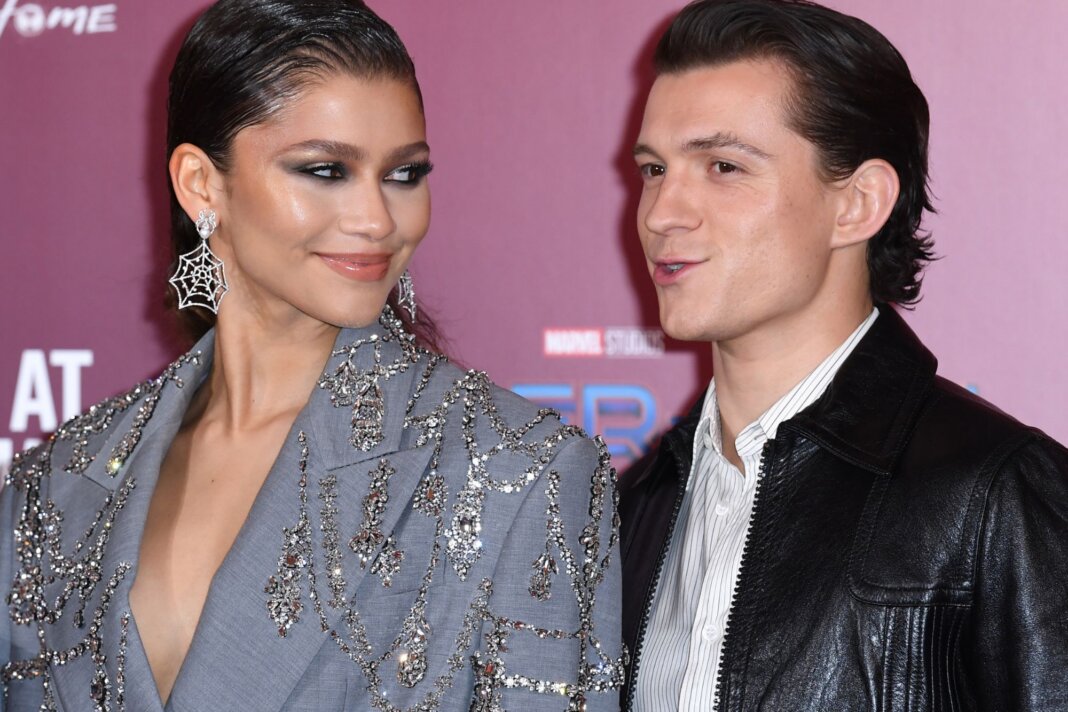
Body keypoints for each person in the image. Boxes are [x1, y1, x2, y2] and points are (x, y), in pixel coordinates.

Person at [0, 2, 624, 710]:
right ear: (201, 184)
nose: (377, 220)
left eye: (404, 174)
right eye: (327, 170)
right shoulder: (56, 485)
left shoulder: (520, 472)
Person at [619, 1, 1068, 710]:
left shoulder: (994, 493)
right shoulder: (640, 501)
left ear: (858, 203)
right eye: (653, 169)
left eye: (723, 166)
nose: (660, 213)